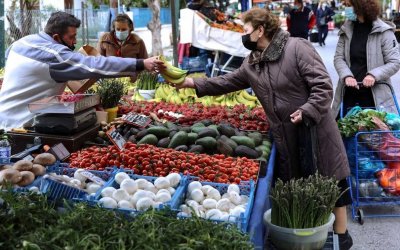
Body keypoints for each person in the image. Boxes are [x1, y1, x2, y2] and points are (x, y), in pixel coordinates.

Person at [168, 8, 352, 249]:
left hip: (314, 128)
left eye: (245, 31)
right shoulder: (252, 63)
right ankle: (309, 235)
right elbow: (227, 82)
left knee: (331, 179)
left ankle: (342, 237)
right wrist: (191, 82)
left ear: (260, 30)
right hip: (285, 134)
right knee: (303, 185)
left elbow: (323, 86)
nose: (242, 37)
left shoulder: (297, 48)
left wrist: (306, 110)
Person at [0, 11, 163, 130]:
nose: (75, 42)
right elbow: (97, 65)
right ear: (56, 38)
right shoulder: (54, 54)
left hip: (6, 117)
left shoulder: (21, 43)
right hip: (21, 126)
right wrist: (141, 64)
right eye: (71, 37)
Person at [333, 0, 400, 118]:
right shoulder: (347, 29)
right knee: (343, 132)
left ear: (360, 6)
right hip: (348, 94)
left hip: (375, 98)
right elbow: (339, 57)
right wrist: (347, 75)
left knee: (373, 133)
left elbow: (394, 62)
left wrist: (373, 75)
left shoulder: (384, 31)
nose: (346, 10)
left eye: (349, 6)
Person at [98, 14, 148, 83]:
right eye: (118, 29)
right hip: (110, 83)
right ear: (114, 28)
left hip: (132, 83)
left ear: (130, 28)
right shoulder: (105, 40)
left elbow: (145, 64)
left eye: (124, 29)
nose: (120, 32)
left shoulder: (138, 42)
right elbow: (98, 62)